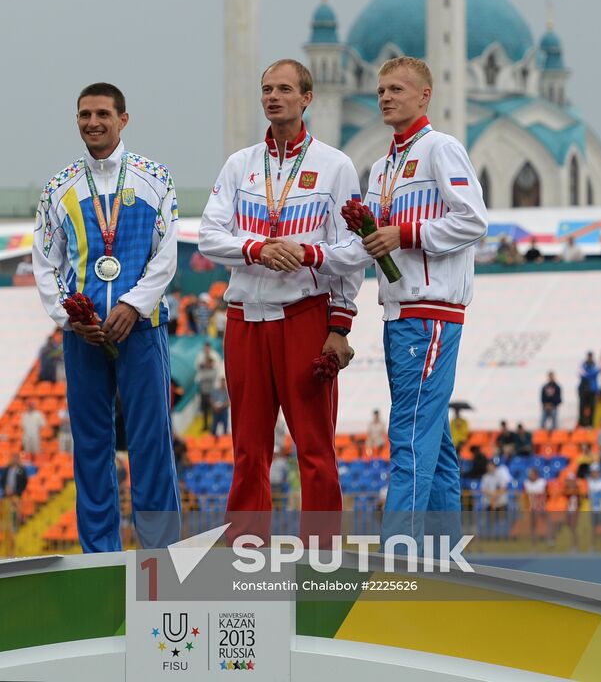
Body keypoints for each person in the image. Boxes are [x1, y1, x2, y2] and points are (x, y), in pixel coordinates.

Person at [312, 57, 488, 545]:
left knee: (409, 434)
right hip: (399, 310)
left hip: (430, 310)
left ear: (424, 95)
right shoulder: (386, 164)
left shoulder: (441, 148)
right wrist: (310, 253)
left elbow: (473, 220)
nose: (385, 97)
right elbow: (368, 243)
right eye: (381, 89)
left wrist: (403, 234)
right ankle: (443, 551)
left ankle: (401, 555)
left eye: (397, 89)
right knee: (436, 441)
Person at [198, 59, 364, 528]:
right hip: (244, 319)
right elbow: (209, 236)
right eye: (267, 89)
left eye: (285, 89)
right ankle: (246, 554)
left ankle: (323, 556)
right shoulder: (240, 164)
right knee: (248, 449)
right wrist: (256, 249)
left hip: (304, 317)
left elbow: (355, 249)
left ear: (307, 97)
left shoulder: (335, 165)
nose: (273, 97)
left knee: (314, 447)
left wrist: (338, 323)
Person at [32, 82, 180, 552]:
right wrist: (68, 317)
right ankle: (100, 556)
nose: (92, 122)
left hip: (142, 329)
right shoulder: (59, 188)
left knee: (150, 443)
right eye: (83, 115)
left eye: (101, 113)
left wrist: (132, 305)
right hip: (84, 337)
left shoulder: (155, 178)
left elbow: (167, 255)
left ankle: (160, 556)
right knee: (91, 446)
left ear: (123, 119)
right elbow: (45, 261)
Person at [523, 466, 550, 545]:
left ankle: (550, 540)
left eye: (531, 474)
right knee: (533, 526)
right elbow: (524, 496)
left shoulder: (542, 482)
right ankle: (534, 543)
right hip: (532, 508)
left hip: (542, 507)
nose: (530, 475)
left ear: (536, 474)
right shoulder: (526, 483)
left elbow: (547, 494)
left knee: (547, 523)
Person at [195, 349, 219, 432]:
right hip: (203, 392)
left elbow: (208, 377)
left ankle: (213, 427)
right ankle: (205, 426)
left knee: (212, 411)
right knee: (204, 410)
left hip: (210, 393)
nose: (208, 364)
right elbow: (199, 378)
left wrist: (204, 376)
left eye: (210, 362)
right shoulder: (204, 370)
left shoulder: (213, 370)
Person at [578, 352, 601, 427]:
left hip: (592, 390)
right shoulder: (582, 364)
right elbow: (582, 374)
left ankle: (591, 424)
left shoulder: (595, 364)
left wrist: (589, 374)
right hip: (583, 389)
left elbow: (596, 372)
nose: (590, 358)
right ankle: (582, 424)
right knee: (582, 407)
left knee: (592, 407)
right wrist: (591, 374)